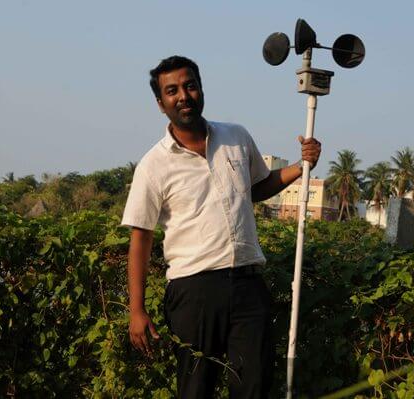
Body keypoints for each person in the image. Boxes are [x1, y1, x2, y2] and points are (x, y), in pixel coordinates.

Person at [122, 55, 321, 398]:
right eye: (172, 91)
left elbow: (257, 187)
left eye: (190, 85)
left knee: (253, 386)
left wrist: (302, 166)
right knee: (196, 388)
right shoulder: (154, 165)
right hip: (192, 292)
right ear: (161, 103)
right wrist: (136, 310)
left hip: (247, 284)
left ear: (200, 89)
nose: (183, 95)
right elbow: (140, 239)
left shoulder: (236, 137)